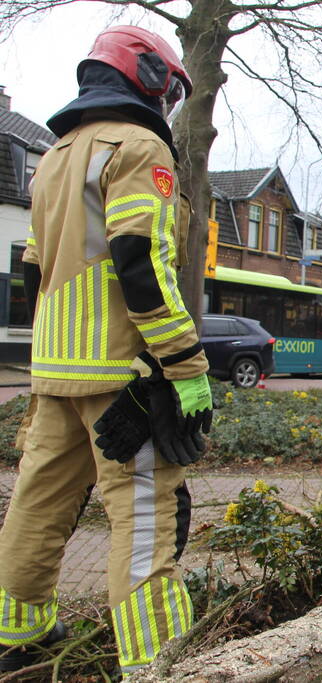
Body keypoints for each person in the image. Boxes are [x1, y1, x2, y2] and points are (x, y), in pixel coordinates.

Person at [0, 26, 213, 675]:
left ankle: (17, 632)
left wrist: (45, 356)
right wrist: (185, 367)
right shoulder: (138, 145)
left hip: (56, 368)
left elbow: (33, 271)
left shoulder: (55, 157)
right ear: (150, 79)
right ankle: (160, 661)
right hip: (121, 372)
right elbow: (140, 261)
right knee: (145, 511)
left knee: (38, 500)